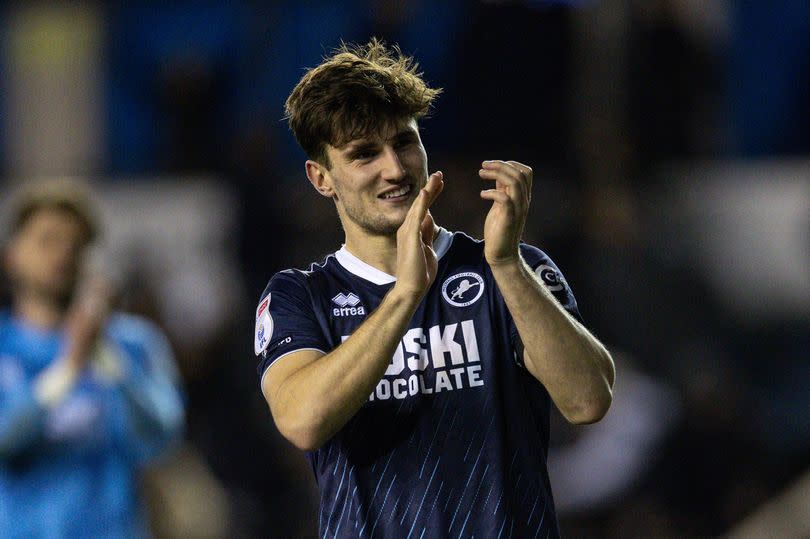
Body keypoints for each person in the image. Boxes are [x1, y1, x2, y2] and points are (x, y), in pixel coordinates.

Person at [255, 39, 615, 538]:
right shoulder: (301, 296)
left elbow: (588, 401)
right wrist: (405, 295)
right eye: (364, 154)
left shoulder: (509, 270)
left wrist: (508, 264)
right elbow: (302, 420)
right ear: (321, 178)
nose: (395, 169)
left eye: (404, 142)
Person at [0, 179, 184, 538]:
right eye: (47, 240)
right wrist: (68, 368)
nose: (64, 254)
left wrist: (106, 358)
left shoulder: (134, 343)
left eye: (77, 244)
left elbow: (164, 436)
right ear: (12, 256)